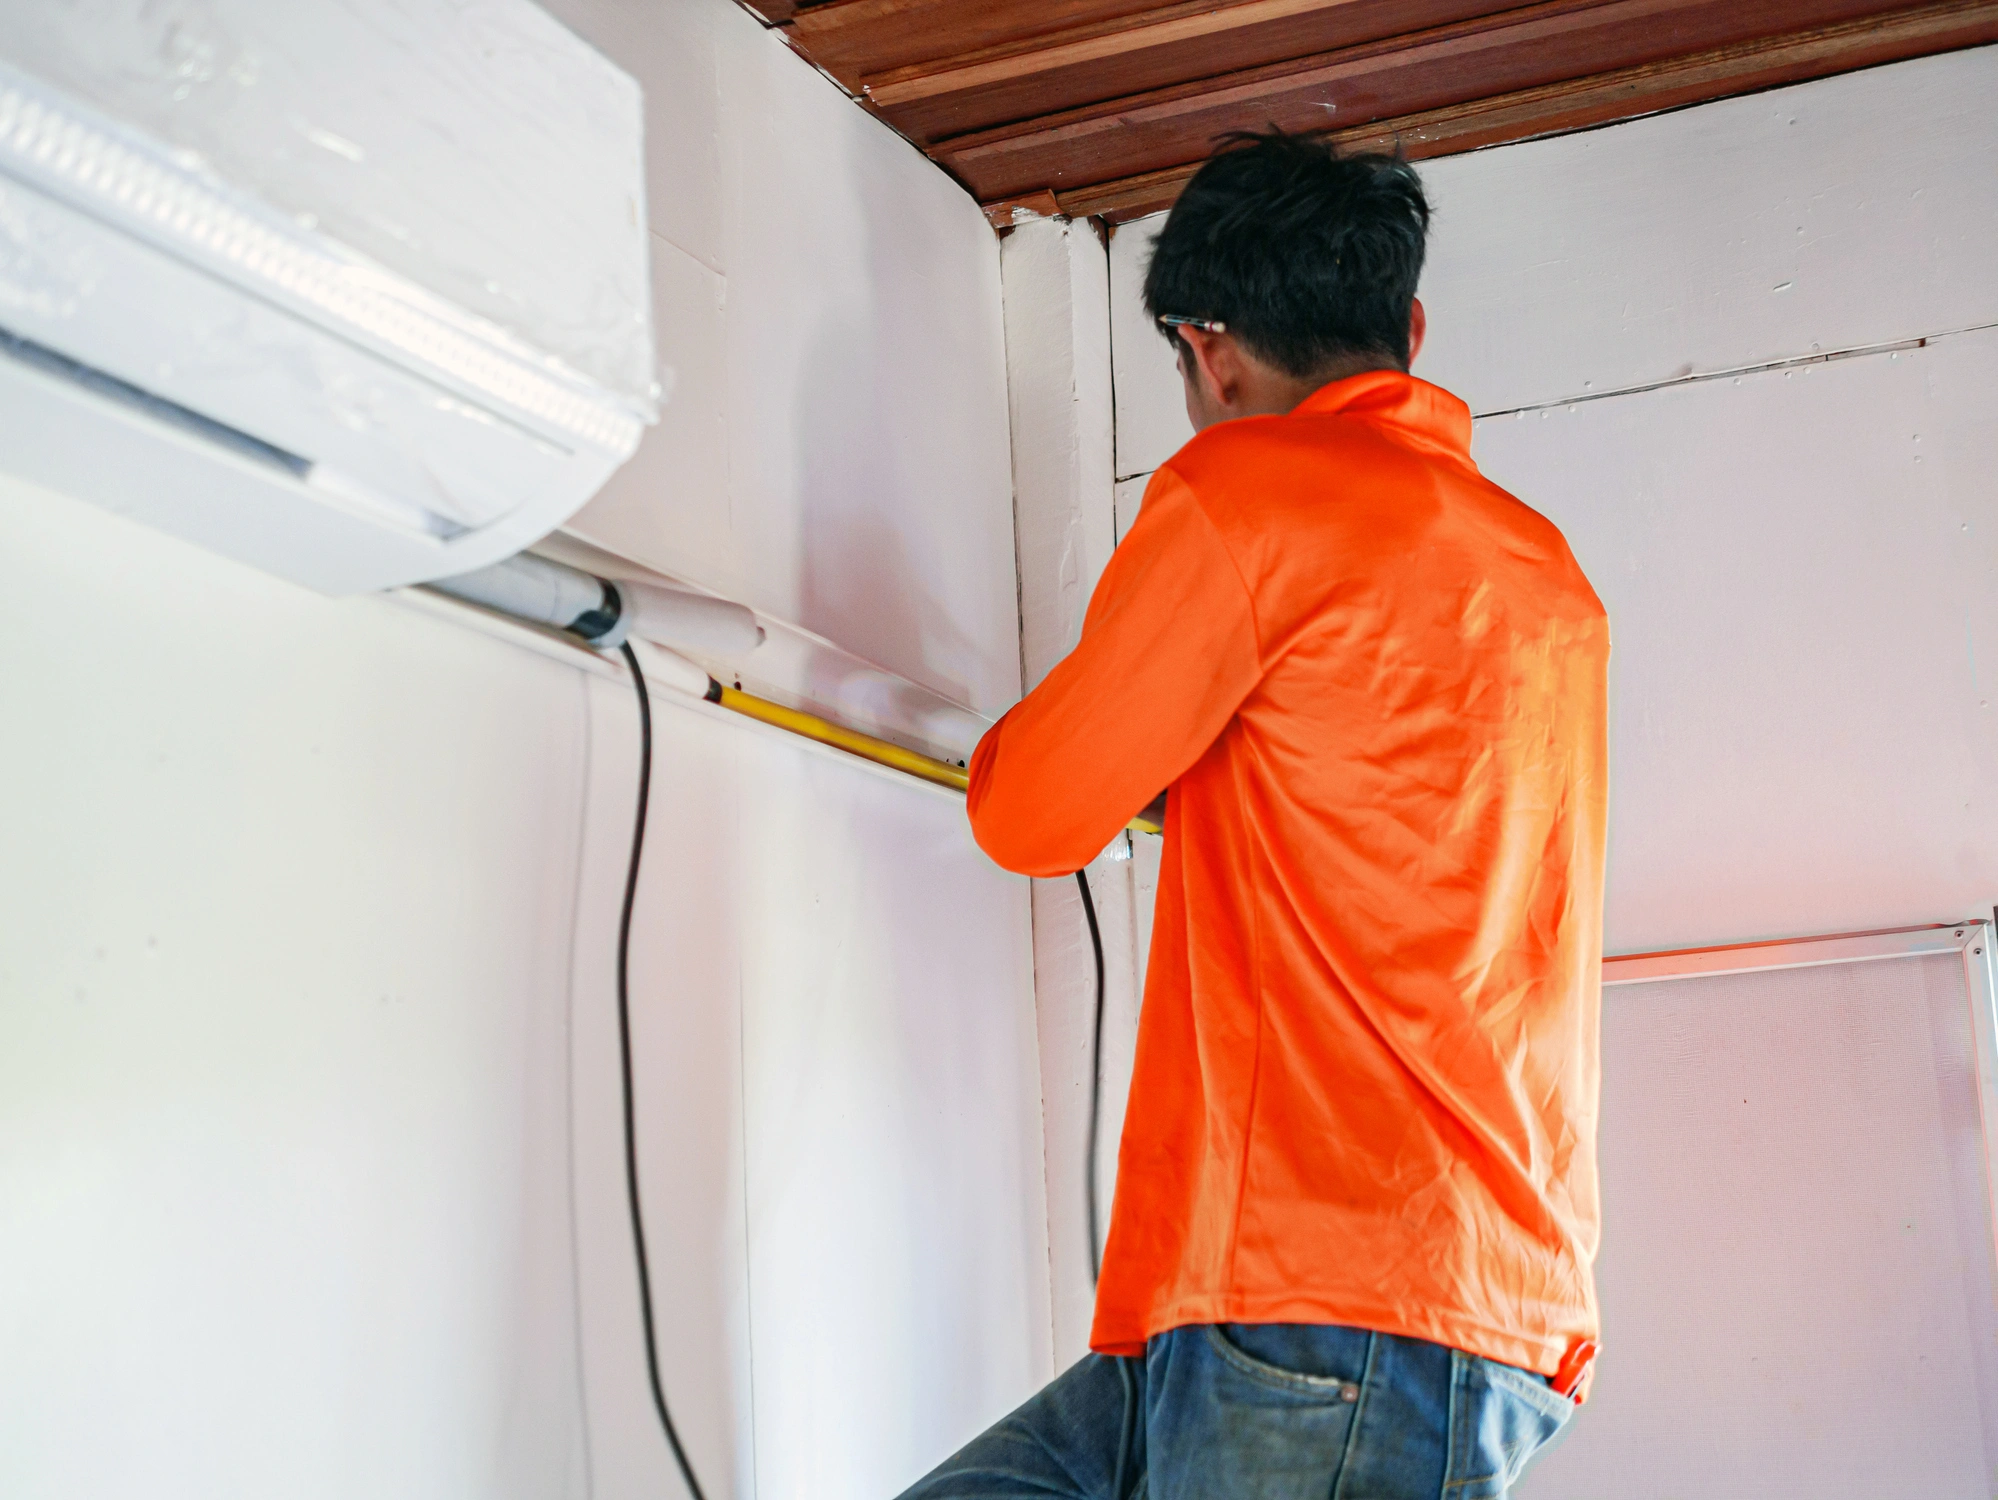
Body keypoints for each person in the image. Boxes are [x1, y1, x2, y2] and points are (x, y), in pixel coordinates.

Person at [907, 131, 1609, 1499]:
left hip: (1323, 1296)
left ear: (1208, 349)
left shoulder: (1250, 495)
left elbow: (1034, 816)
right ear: (1405, 326)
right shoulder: (1540, 572)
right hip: (1450, 1287)